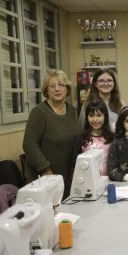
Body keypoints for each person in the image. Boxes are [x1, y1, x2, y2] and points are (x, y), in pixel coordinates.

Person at [23, 70, 79, 199]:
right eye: (52, 86)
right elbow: (29, 145)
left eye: (61, 85)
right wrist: (46, 171)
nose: (57, 89)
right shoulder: (39, 113)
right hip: (43, 178)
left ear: (67, 89)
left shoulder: (71, 110)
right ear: (46, 90)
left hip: (65, 176)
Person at [71, 100, 114, 176]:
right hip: (87, 181)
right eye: (91, 115)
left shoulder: (112, 138)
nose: (95, 119)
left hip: (108, 180)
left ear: (105, 116)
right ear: (87, 117)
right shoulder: (81, 138)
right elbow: (74, 161)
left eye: (99, 115)